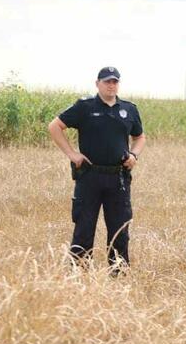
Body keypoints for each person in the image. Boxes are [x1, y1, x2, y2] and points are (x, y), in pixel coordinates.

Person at [47, 66, 146, 270]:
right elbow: (54, 126)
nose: (111, 85)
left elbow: (140, 136)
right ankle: (79, 273)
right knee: (84, 228)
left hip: (118, 178)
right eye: (107, 81)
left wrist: (134, 155)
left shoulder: (129, 109)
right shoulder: (85, 107)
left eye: (114, 81)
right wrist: (72, 154)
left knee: (120, 230)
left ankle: (118, 273)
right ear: (97, 84)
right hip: (89, 176)